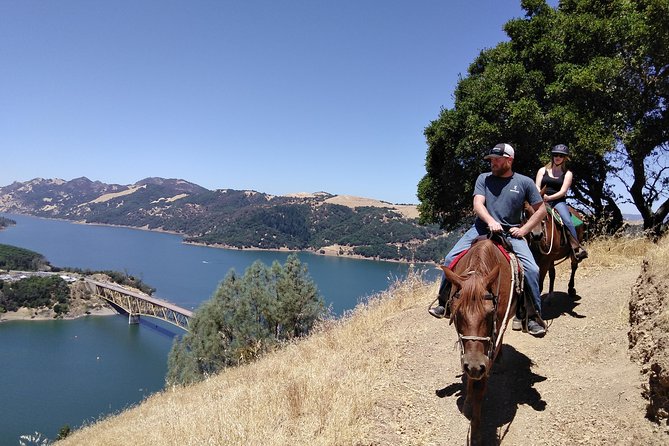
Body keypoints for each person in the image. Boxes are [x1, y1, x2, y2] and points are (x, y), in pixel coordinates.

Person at [429, 143, 548, 337]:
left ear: (509, 160)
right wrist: (491, 221)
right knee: (450, 259)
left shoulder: (524, 182)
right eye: (491, 159)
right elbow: (478, 204)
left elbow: (541, 209)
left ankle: (532, 317)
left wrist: (524, 229)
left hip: (511, 233)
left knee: (532, 270)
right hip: (481, 228)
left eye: (496, 159)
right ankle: (444, 303)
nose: (492, 162)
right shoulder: (483, 178)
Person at [534, 144, 588, 261]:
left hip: (558, 201)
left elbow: (563, 191)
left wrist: (549, 197)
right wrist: (541, 195)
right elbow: (537, 186)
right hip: (541, 199)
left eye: (561, 156)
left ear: (565, 158)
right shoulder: (542, 170)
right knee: (527, 214)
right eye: (555, 155)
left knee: (567, 220)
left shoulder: (568, 174)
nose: (557, 157)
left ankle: (575, 248)